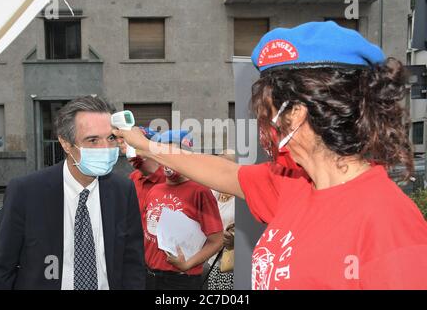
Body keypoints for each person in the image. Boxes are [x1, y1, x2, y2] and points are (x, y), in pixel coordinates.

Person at [113, 21, 427, 290]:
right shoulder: (295, 186)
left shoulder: (389, 223)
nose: (265, 125)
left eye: (268, 111)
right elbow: (223, 173)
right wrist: (145, 146)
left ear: (298, 114)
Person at [0, 96, 145, 290]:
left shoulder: (124, 190)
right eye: (93, 140)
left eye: (111, 138)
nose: (105, 148)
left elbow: (133, 263)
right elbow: (3, 269)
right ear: (65, 143)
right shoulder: (25, 192)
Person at [141, 130, 224, 290]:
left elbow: (217, 240)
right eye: (163, 155)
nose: (167, 161)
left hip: (180, 281)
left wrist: (187, 265)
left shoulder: (200, 191)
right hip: (149, 277)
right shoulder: (154, 190)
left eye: (173, 155)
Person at [206, 151, 235, 290]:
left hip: (231, 261)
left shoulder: (241, 197)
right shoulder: (213, 191)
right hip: (211, 260)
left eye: (224, 164)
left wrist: (235, 242)